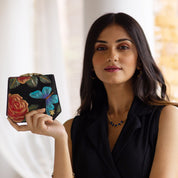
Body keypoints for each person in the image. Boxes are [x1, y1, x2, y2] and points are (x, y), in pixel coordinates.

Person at [8, 12, 178, 178]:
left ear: (139, 60)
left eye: (123, 47)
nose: (112, 56)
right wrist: (60, 138)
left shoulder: (167, 117)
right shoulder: (71, 129)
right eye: (101, 48)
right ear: (91, 63)